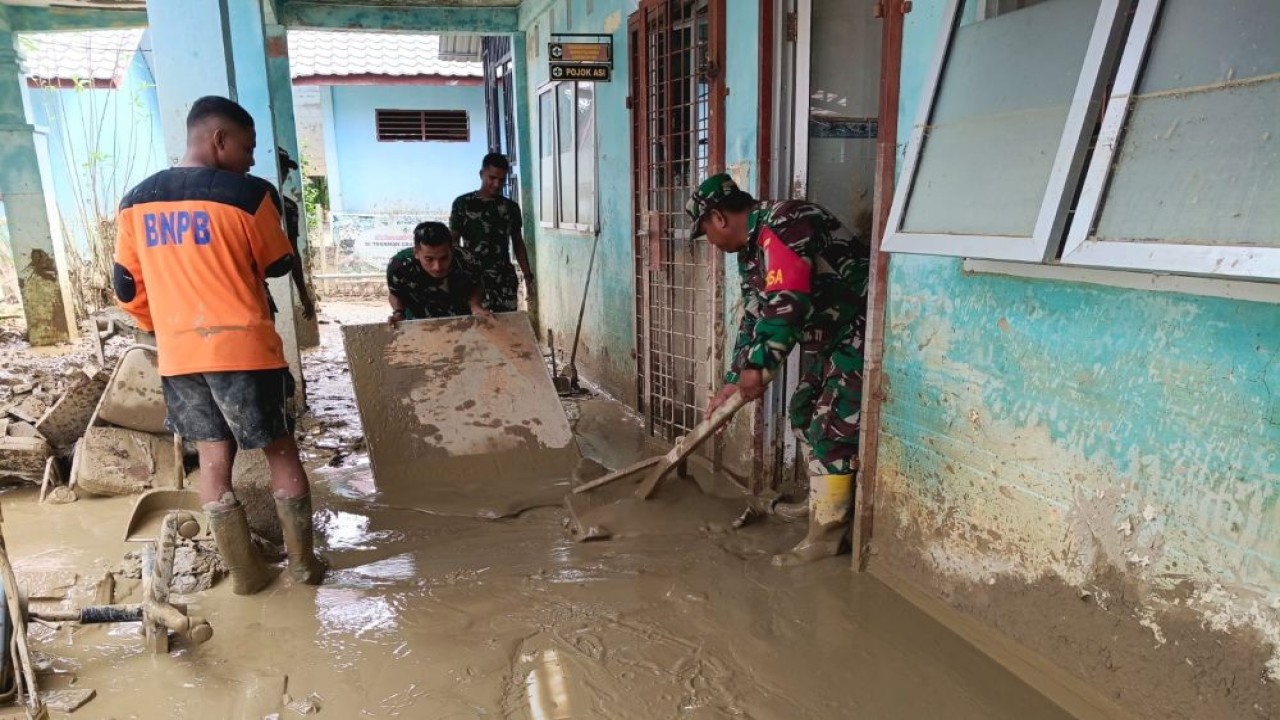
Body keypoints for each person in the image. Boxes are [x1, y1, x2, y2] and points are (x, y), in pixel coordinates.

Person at [113, 96, 326, 595]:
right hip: (246, 351)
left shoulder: (134, 202)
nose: (252, 159)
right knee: (280, 452)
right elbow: (277, 265)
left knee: (213, 460)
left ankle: (247, 576)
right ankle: (303, 566)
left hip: (181, 356)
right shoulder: (249, 196)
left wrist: (164, 327)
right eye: (248, 147)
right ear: (219, 140)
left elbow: (127, 289)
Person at [691, 173, 870, 566]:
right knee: (803, 412)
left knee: (831, 429)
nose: (710, 243)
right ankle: (820, 501)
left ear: (719, 218)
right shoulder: (751, 251)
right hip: (830, 339)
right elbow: (755, 316)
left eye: (705, 231)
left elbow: (788, 300)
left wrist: (760, 365)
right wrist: (733, 380)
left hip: (861, 331)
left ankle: (826, 537)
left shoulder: (786, 222)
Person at [448, 153, 534, 313]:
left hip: (504, 280)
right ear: (481, 174)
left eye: (501, 180)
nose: (496, 184)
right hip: (473, 280)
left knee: (506, 328)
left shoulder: (511, 208)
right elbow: (453, 242)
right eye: (492, 178)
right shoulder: (463, 204)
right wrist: (455, 275)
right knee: (477, 328)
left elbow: (518, 243)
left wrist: (528, 276)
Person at [386, 221, 491, 324]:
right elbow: (395, 293)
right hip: (419, 323)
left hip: (461, 321)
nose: (437, 267)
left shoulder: (467, 260)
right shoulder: (399, 266)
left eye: (444, 258)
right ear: (416, 253)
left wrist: (475, 305)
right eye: (429, 259)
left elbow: (477, 284)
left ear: (452, 250)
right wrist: (398, 313)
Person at [276, 147, 316, 320]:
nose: (283, 174)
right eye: (280, 168)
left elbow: (292, 251)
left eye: (285, 170)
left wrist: (303, 293)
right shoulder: (241, 200)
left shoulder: (289, 208)